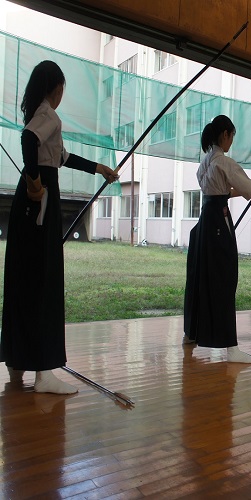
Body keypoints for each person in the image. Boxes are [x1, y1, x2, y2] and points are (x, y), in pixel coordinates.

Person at [0, 61, 119, 394]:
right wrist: (36, 181)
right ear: (54, 87)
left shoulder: (40, 114)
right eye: (62, 87)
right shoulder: (48, 114)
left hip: (32, 199)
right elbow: (28, 142)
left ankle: (18, 359)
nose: (62, 93)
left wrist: (98, 168)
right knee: (43, 277)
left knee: (26, 274)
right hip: (40, 199)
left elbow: (62, 156)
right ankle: (43, 372)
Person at [183, 115, 251, 363]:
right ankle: (230, 347)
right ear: (224, 135)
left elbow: (219, 191)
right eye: (232, 136)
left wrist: (249, 194)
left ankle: (192, 333)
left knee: (202, 277)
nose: (232, 141)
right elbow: (248, 189)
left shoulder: (205, 163)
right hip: (219, 223)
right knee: (223, 278)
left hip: (206, 221)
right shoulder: (224, 161)